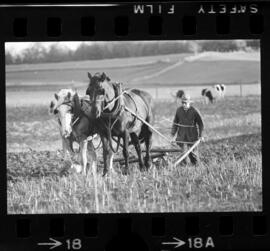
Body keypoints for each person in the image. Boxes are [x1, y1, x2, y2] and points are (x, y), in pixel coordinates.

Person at [171, 94, 204, 165]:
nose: (184, 104)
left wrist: (201, 135)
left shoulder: (195, 111)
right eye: (182, 103)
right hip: (181, 136)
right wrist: (172, 135)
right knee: (184, 154)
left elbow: (201, 124)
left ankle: (197, 167)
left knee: (193, 155)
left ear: (190, 102)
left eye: (185, 103)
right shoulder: (179, 110)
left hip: (192, 136)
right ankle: (185, 167)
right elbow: (175, 123)